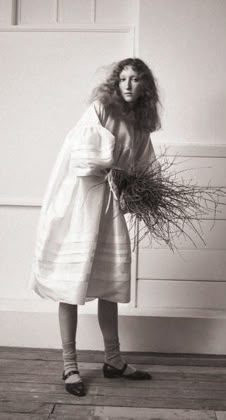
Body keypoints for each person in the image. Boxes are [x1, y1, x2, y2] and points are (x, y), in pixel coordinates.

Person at [30, 58, 161, 397]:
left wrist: (139, 189)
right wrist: (113, 168)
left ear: (145, 86)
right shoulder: (101, 108)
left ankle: (113, 360)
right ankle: (69, 365)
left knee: (109, 282)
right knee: (70, 281)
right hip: (82, 202)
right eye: (123, 79)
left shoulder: (142, 125)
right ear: (115, 85)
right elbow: (84, 156)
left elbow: (144, 168)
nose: (129, 85)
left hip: (108, 208)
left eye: (136, 79)